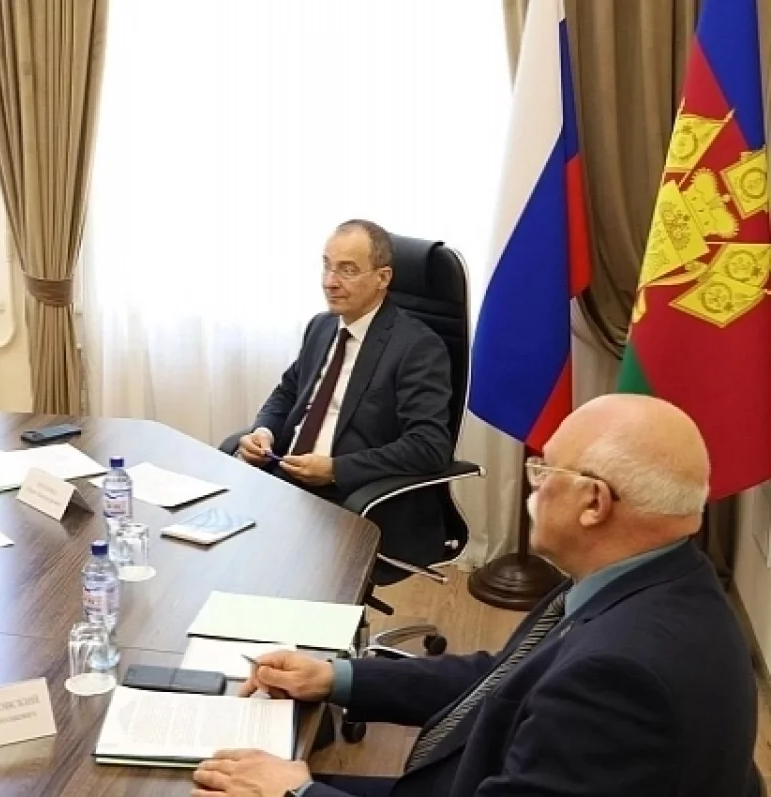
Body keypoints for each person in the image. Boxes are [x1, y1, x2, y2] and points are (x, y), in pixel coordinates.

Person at [195, 394, 760, 797]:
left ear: (594, 503)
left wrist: (297, 793)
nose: (534, 487)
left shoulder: (618, 677)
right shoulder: (657, 580)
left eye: (544, 472)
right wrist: (336, 678)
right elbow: (502, 678)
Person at [233, 219, 453, 567]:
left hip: (353, 497)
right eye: (327, 265)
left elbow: (429, 446)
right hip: (286, 478)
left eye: (347, 270)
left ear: (382, 278)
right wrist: (264, 431)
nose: (329, 282)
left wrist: (336, 469)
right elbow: (287, 392)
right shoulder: (321, 326)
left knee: (255, 559)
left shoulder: (418, 347)